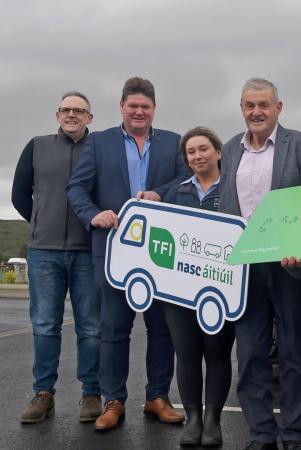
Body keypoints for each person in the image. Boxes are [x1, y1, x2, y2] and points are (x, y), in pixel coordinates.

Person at [67, 77, 190, 431]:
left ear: (154, 109)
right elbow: (76, 187)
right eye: (133, 105)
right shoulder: (99, 142)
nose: (139, 112)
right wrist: (93, 215)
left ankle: (158, 397)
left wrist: (161, 194)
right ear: (122, 106)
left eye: (146, 106)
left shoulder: (173, 143)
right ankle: (113, 401)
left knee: (161, 329)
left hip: (159, 254)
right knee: (113, 330)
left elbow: (185, 182)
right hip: (113, 252)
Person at [218, 78, 301, 450]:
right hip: (245, 268)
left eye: (263, 105)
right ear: (242, 109)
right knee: (250, 356)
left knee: (294, 355)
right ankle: (261, 434)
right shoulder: (230, 149)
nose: (256, 112)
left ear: (279, 107)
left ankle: (294, 434)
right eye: (249, 106)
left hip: (291, 263)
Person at [11, 91, 102, 424]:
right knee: (45, 326)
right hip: (44, 252)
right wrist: (40, 221)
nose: (72, 115)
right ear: (57, 114)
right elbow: (20, 193)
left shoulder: (101, 148)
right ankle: (43, 394)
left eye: (79, 110)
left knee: (91, 327)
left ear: (90, 118)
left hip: (88, 250)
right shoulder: (37, 146)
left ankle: (92, 393)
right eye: (66, 109)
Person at [160, 126, 234, 446]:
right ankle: (192, 417)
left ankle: (212, 419)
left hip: (221, 291)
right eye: (191, 151)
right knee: (187, 353)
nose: (197, 156)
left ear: (218, 152)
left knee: (217, 353)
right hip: (180, 292)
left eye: (203, 149)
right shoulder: (176, 193)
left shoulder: (234, 189)